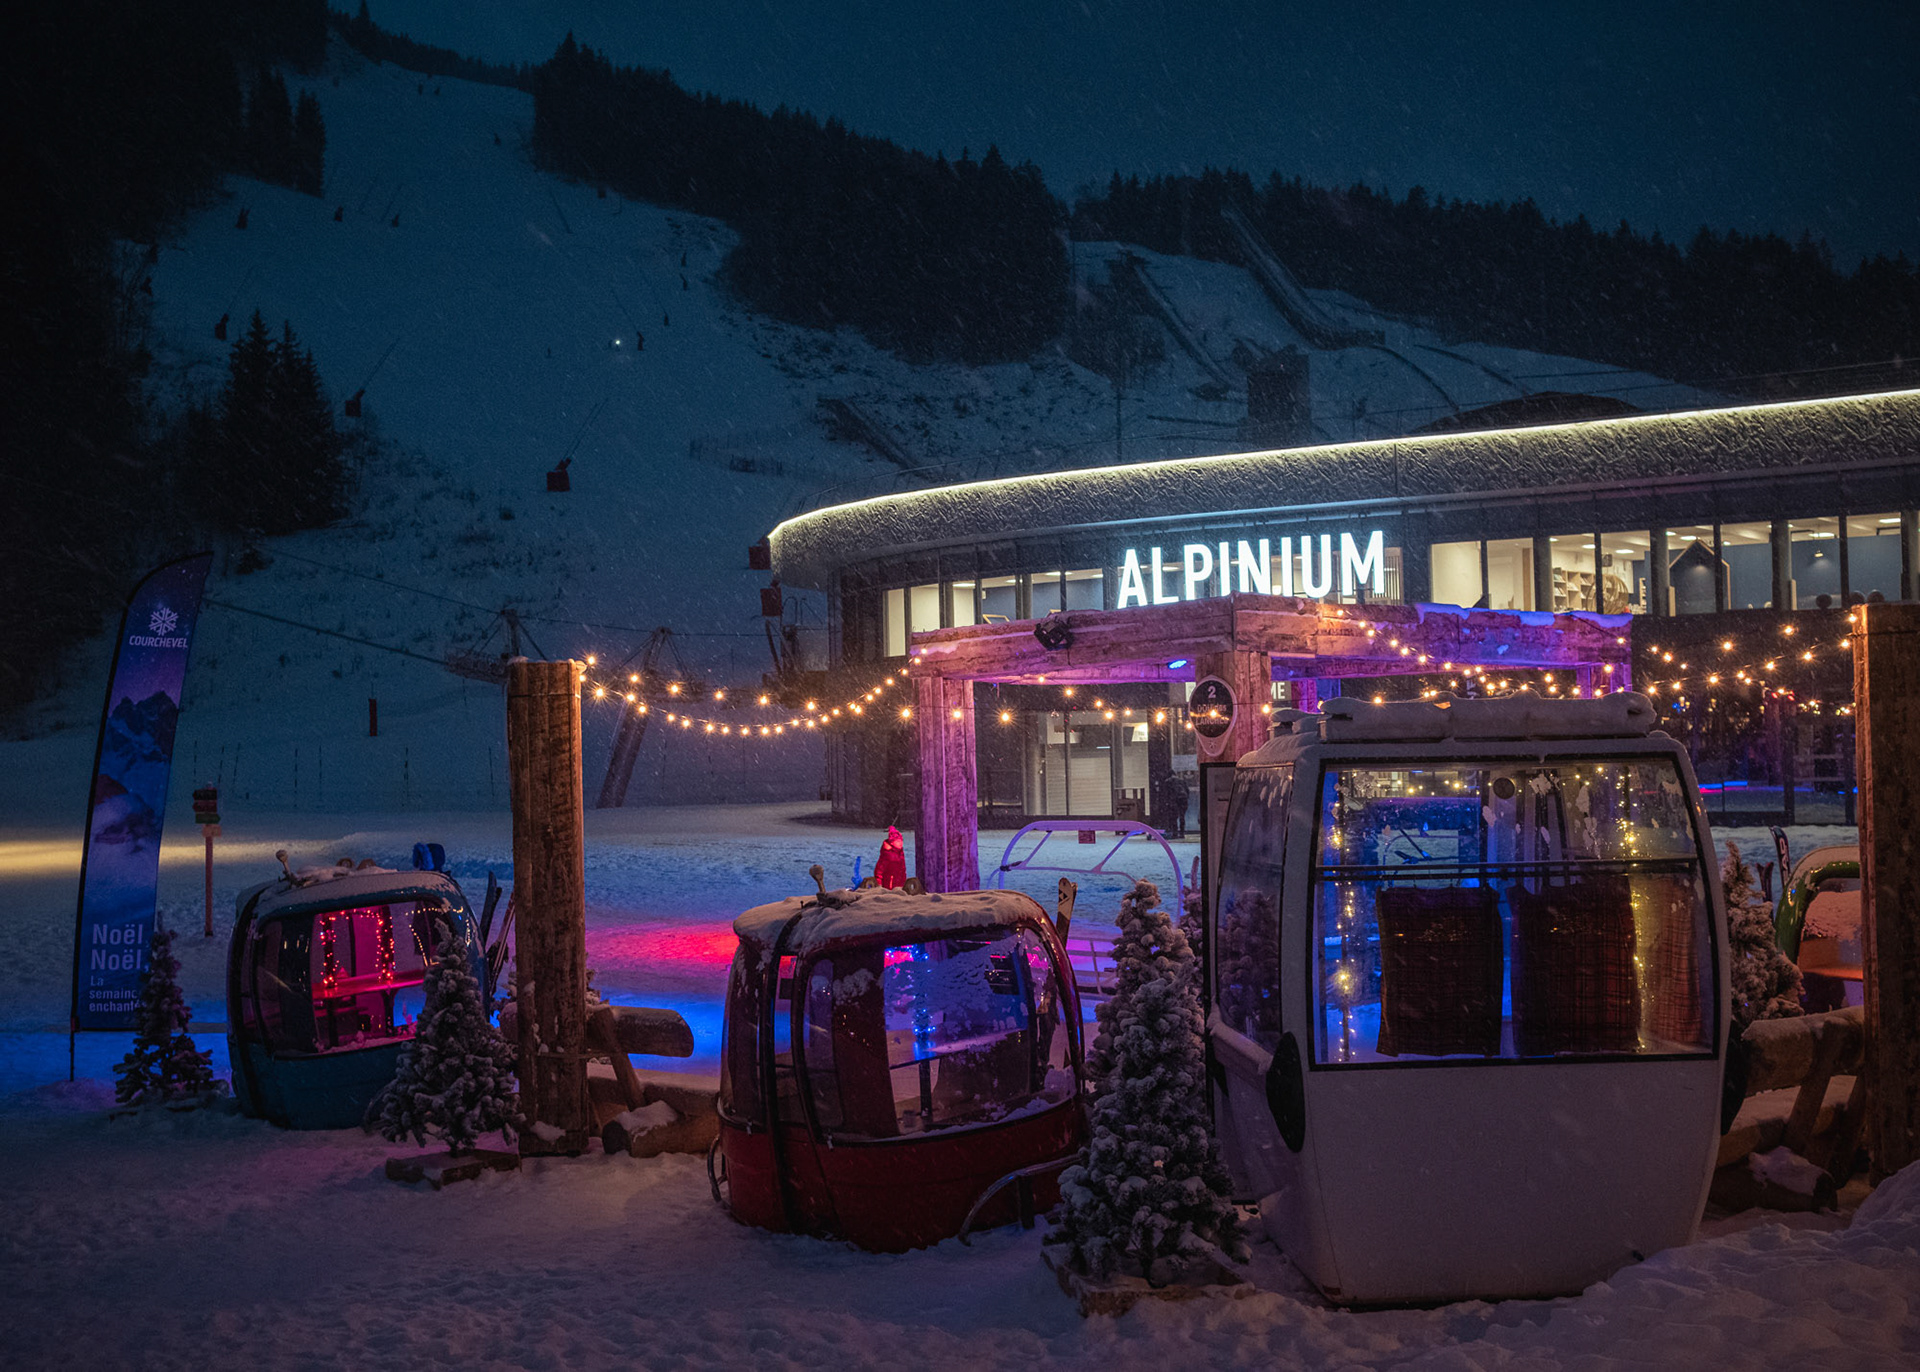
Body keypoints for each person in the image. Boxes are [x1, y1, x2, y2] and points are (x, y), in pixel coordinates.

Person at [1163, 772, 1191, 839]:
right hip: (1184, 800)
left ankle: (1175, 833)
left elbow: (1166, 793)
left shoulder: (1168, 781)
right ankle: (1182, 833)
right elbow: (1187, 791)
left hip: (1175, 800)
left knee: (1174, 817)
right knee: (1182, 817)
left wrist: (1167, 802)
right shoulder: (1182, 781)